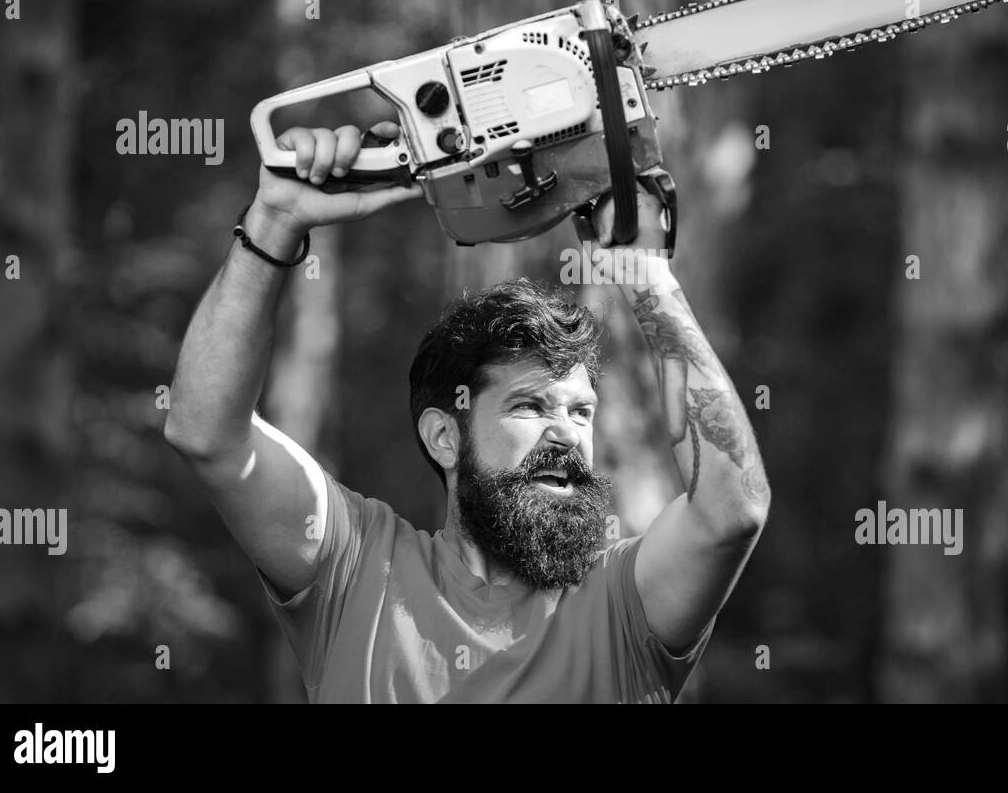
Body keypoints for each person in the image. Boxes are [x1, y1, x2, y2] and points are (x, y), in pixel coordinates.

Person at [164, 122, 770, 702]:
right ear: (444, 437)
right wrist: (275, 220)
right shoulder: (358, 570)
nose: (565, 433)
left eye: (581, 412)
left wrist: (644, 273)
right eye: (530, 406)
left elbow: (732, 508)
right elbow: (207, 434)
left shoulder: (621, 602)